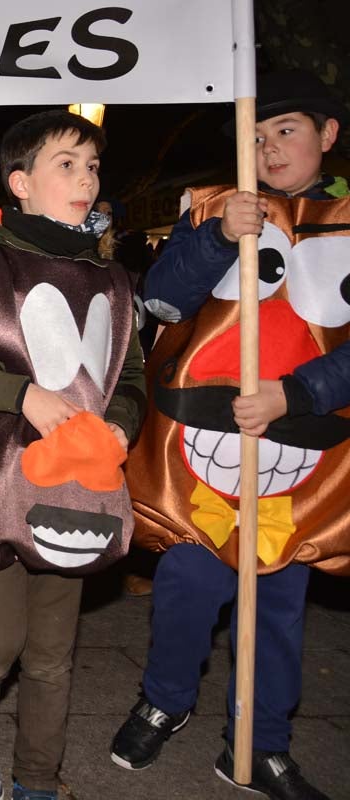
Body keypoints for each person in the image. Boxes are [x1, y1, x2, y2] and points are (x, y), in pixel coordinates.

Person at [110, 70, 347, 800]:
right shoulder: (213, 208)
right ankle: (166, 698)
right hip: (205, 448)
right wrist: (217, 237)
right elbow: (161, 297)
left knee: (279, 601)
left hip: (304, 449)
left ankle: (260, 743)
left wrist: (298, 392)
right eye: (254, 135)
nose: (269, 147)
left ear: (327, 135)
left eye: (285, 130)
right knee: (188, 578)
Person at [0, 110, 145, 800]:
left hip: (76, 490)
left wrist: (122, 423)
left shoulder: (110, 280)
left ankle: (38, 776)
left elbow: (128, 376)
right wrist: (20, 394)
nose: (85, 179)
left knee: (52, 655)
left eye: (93, 166)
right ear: (21, 183)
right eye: (65, 164)